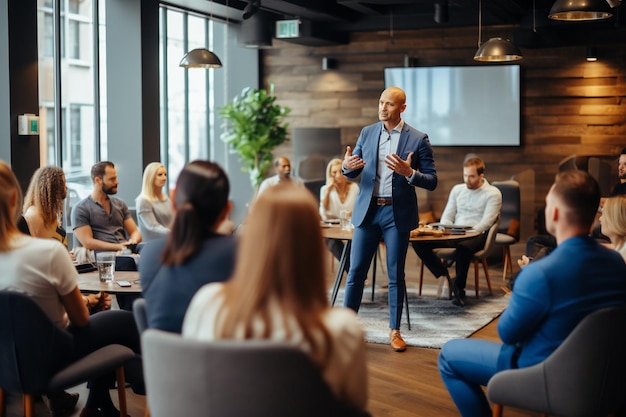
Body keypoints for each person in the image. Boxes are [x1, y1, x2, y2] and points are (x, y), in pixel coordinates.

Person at [438, 170, 626, 417]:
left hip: (546, 374)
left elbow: (508, 332)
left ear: (555, 213)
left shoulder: (540, 273)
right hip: (606, 376)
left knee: (449, 355)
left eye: (548, 203)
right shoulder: (616, 263)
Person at [182, 184, 367, 412]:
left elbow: (192, 386)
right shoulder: (341, 330)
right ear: (314, 244)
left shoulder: (207, 303)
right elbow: (356, 405)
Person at [0, 160, 142, 417]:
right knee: (126, 321)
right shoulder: (50, 251)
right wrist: (90, 303)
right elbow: (80, 319)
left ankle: (98, 404)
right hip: (49, 355)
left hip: (8, 360)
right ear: (13, 201)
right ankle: (116, 399)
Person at [342, 86, 437, 352]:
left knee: (396, 274)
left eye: (389, 104)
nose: (382, 108)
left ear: (402, 108)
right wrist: (345, 167)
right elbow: (351, 167)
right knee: (356, 272)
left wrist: (410, 173)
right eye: (381, 102)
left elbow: (432, 181)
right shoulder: (367, 132)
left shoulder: (418, 139)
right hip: (368, 211)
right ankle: (346, 329)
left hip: (397, 214)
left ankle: (394, 331)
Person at [140, 160, 237, 333]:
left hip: (164, 358)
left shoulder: (149, 254)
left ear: (174, 203)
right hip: (225, 359)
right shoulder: (241, 253)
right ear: (226, 210)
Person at [20, 166, 111, 313]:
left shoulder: (51, 216)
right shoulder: (34, 216)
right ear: (52, 187)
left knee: (103, 299)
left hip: (62, 279)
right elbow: (38, 257)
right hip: (52, 288)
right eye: (63, 183)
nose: (66, 188)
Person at [412, 157, 502, 306]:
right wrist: (447, 230)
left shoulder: (493, 193)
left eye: (472, 176)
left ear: (481, 176)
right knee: (418, 243)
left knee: (463, 248)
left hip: (477, 234)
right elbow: (447, 216)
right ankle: (444, 273)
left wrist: (468, 234)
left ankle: (459, 289)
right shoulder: (457, 190)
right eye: (465, 175)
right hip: (455, 232)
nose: (468, 180)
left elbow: (486, 223)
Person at [71, 161, 142, 256]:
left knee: (154, 250)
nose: (117, 182)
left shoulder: (120, 204)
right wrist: (119, 247)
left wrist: (133, 241)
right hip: (103, 255)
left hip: (125, 250)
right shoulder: (81, 208)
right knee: (128, 259)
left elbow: (134, 231)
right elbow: (88, 242)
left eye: (116, 178)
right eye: (112, 179)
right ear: (97, 180)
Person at [320, 158, 359, 268]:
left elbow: (359, 208)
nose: (338, 175)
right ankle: (351, 270)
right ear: (330, 174)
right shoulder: (325, 190)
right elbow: (324, 213)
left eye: (341, 171)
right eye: (334, 172)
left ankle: (353, 272)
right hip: (333, 226)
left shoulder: (354, 187)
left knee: (354, 239)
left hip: (351, 226)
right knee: (330, 241)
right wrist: (328, 190)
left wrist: (352, 213)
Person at [135, 162, 173, 242]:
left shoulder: (166, 199)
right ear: (150, 177)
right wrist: (175, 234)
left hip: (169, 241)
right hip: (152, 244)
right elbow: (153, 226)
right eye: (160, 175)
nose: (164, 178)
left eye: (165, 174)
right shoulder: (143, 200)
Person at [600, 194, 626, 261]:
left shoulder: (621, 258)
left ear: (614, 219)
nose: (600, 218)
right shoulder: (621, 247)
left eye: (604, 214)